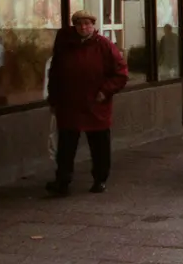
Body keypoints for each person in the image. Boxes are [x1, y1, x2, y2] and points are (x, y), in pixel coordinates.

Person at [46, 10, 129, 196]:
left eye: (87, 24)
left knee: (99, 146)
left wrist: (105, 91)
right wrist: (53, 98)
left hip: (96, 104)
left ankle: (100, 179)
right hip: (70, 104)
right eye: (79, 24)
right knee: (66, 147)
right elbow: (55, 73)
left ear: (93, 25)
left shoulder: (104, 46)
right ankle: (63, 181)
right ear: (74, 26)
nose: (83, 27)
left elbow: (121, 73)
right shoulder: (66, 45)